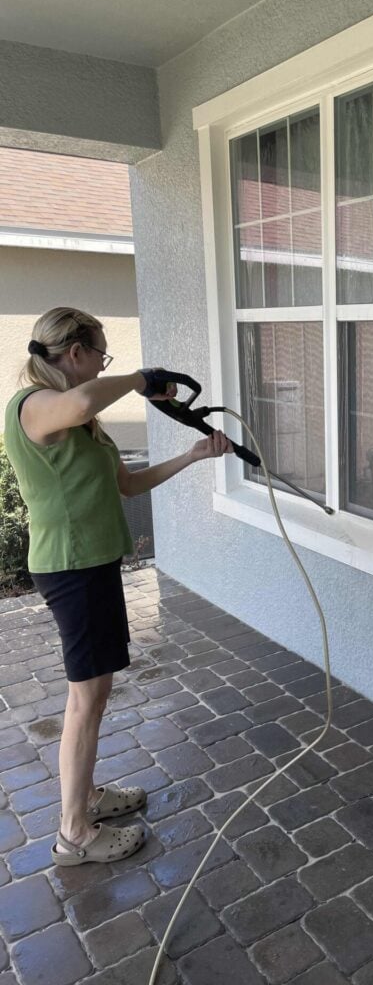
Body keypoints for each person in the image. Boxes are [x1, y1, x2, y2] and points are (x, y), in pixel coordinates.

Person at [2, 307, 233, 866]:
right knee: (85, 699)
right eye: (101, 355)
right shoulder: (34, 407)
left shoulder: (77, 421)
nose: (105, 366)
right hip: (72, 568)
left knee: (96, 693)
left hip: (93, 564)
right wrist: (141, 380)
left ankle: (85, 797)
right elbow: (83, 399)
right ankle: (73, 833)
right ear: (75, 353)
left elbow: (127, 485)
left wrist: (193, 454)